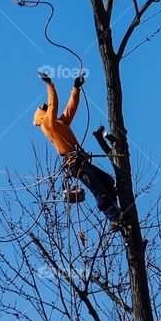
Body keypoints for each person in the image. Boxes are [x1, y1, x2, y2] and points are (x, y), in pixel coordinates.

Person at [33, 71, 123, 226]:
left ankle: (116, 212)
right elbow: (54, 103)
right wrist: (49, 84)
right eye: (47, 109)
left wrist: (76, 88)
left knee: (108, 181)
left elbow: (71, 108)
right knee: (99, 188)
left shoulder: (59, 123)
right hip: (75, 164)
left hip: (81, 161)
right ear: (43, 115)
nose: (49, 109)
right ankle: (114, 218)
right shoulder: (48, 124)